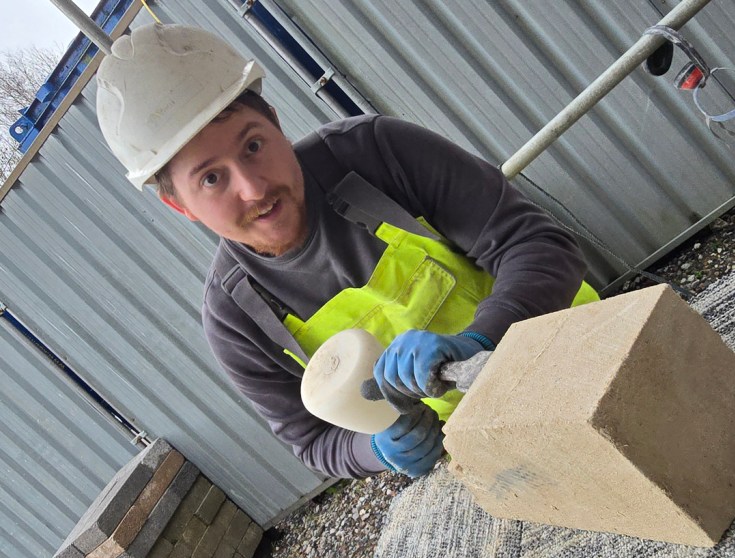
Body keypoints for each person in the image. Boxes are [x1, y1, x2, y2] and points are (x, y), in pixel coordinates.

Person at [95, 24, 597, 479]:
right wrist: (372, 450)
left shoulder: (377, 153)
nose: (252, 188)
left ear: (274, 120)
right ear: (180, 206)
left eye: (252, 145)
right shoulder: (235, 317)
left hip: (583, 352)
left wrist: (480, 339)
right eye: (211, 178)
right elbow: (311, 440)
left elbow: (538, 243)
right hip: (486, 448)